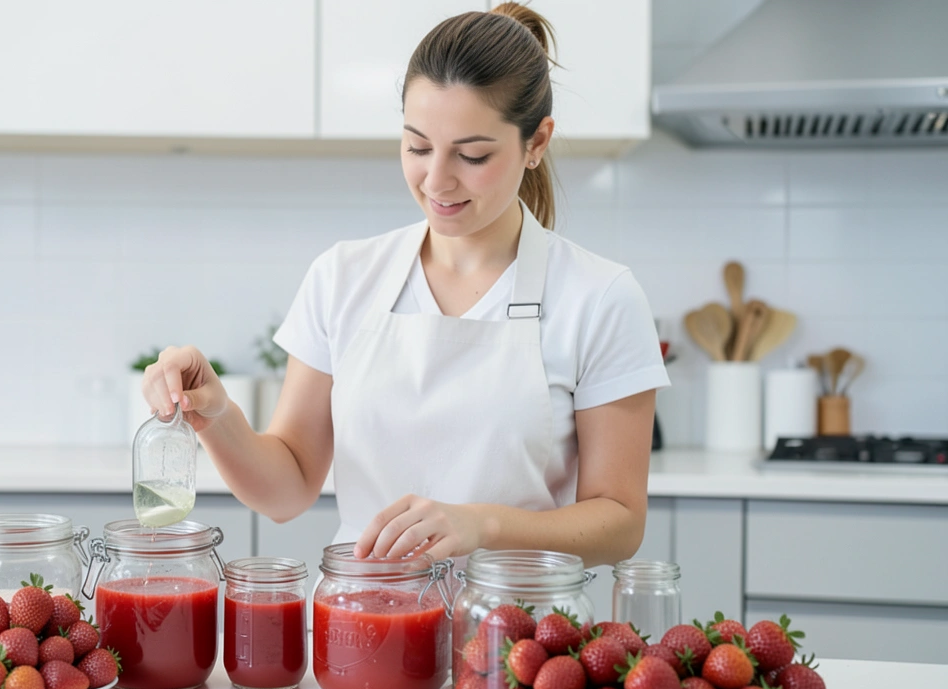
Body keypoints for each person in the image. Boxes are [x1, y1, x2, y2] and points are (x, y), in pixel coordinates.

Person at [140, 4, 669, 568]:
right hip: (366, 625)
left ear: (536, 143)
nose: (436, 180)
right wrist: (217, 416)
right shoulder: (344, 277)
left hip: (522, 639)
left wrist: (481, 523)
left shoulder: (600, 297)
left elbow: (619, 520)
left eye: (472, 155)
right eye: (417, 147)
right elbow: (288, 487)